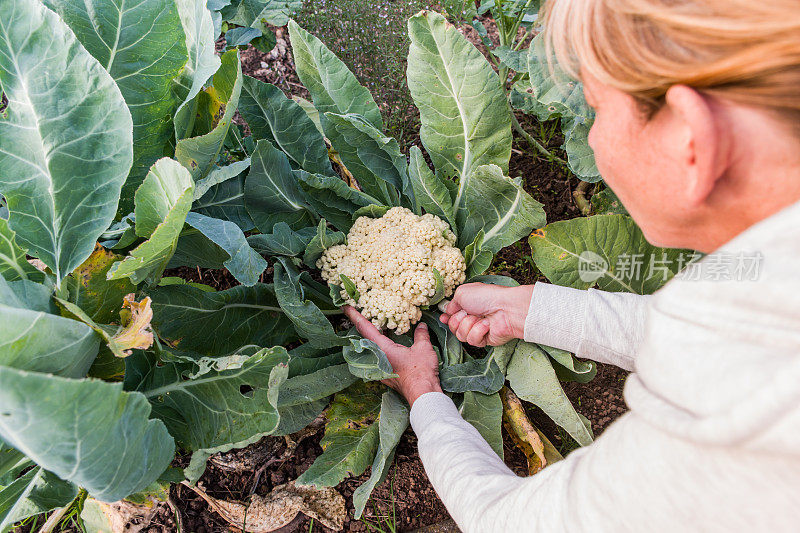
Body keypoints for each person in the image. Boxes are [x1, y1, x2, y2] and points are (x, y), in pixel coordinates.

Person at [343, 0, 800, 530]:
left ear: (691, 140)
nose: (593, 138)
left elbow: (510, 523)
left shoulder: (738, 437)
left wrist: (423, 393)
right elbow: (737, 335)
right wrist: (534, 310)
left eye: (598, 109)